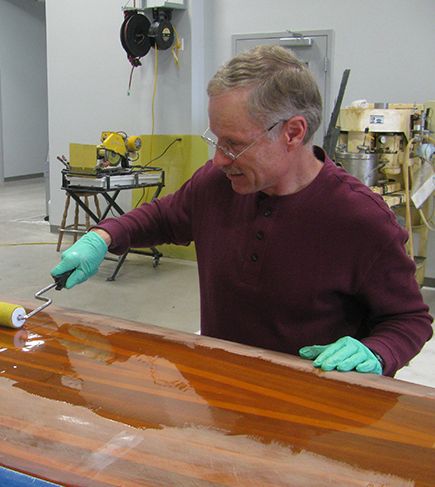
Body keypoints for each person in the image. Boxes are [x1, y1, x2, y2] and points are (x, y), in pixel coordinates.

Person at [51, 45, 433, 378]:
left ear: (293, 133)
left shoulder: (360, 219)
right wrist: (102, 237)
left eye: (233, 144)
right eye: (216, 139)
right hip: (222, 387)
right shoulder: (217, 184)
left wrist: (378, 353)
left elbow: (409, 320)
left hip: (313, 413)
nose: (218, 159)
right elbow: (164, 216)